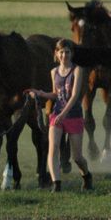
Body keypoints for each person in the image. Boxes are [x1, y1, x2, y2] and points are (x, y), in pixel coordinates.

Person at [28, 39, 93, 192]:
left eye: (67, 52)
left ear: (72, 53)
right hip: (57, 115)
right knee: (53, 149)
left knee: (77, 157)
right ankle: (56, 184)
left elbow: (74, 96)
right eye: (61, 52)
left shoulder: (77, 70)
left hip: (73, 115)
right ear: (56, 54)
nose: (64, 55)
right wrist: (41, 93)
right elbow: (56, 94)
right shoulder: (54, 72)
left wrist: (63, 114)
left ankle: (87, 176)